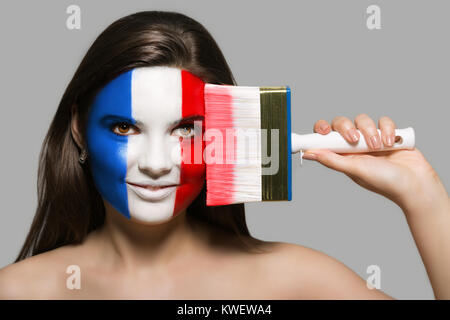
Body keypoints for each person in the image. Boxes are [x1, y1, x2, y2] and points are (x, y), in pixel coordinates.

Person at [0, 11, 448, 300]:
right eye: (124, 128)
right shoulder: (17, 291)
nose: (156, 163)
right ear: (78, 128)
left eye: (185, 130)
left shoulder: (293, 281)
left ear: (225, 131)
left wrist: (423, 197)